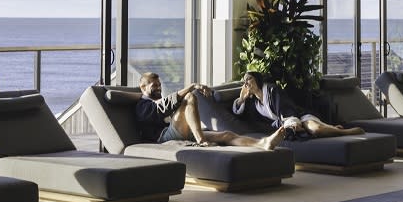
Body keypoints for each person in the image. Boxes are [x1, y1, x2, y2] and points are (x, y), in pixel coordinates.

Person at [136, 72, 285, 150]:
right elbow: (161, 109)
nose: (158, 88)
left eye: (159, 85)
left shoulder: (157, 102)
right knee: (190, 96)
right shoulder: (142, 105)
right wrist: (192, 86)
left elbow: (168, 106)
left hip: (179, 132)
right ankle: (201, 141)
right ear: (143, 87)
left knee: (227, 135)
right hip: (162, 137)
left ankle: (263, 144)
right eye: (154, 85)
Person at [233, 71, 365, 138]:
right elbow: (241, 115)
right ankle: (335, 129)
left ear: (258, 79)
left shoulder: (272, 90)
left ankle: (346, 132)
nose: (246, 83)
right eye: (244, 81)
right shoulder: (253, 104)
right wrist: (242, 98)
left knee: (316, 130)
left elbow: (286, 108)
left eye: (249, 78)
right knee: (315, 131)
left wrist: (292, 123)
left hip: (298, 116)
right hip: (284, 124)